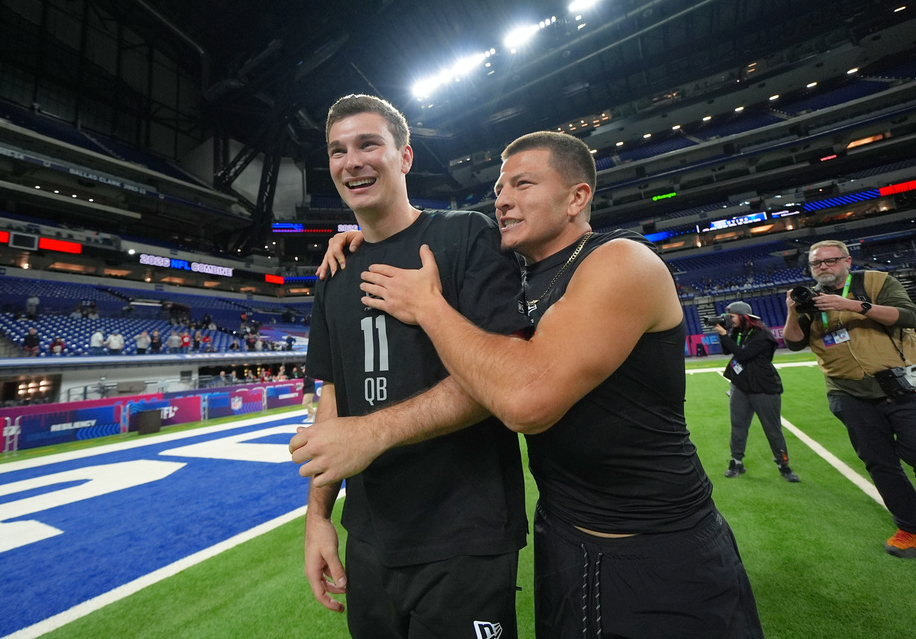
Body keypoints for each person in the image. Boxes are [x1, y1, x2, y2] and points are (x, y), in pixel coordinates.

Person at [296, 130, 763, 638]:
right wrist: (366, 238)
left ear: (577, 198)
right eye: (499, 189)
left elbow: (524, 401)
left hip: (655, 543)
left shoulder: (622, 262)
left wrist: (428, 307)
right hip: (563, 539)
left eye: (522, 185)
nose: (502, 200)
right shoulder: (524, 277)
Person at [294, 94, 530, 637]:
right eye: (337, 151)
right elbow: (334, 399)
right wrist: (318, 517)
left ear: (405, 157)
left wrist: (372, 433)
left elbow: (504, 377)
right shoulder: (334, 272)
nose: (352, 161)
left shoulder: (465, 236)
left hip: (464, 534)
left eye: (368, 144)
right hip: (370, 537)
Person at [783, 239, 916, 558]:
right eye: (816, 263)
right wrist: (793, 311)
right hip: (849, 393)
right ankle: (911, 529)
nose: (823, 267)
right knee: (879, 463)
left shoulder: (876, 281)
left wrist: (850, 305)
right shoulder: (810, 299)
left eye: (831, 260)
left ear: (847, 261)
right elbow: (793, 343)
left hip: (903, 384)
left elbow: (909, 317)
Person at [714, 301, 800, 482]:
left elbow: (743, 355)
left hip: (763, 386)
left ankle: (783, 465)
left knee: (772, 428)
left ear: (743, 316)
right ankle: (736, 461)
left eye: (731, 317)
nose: (729, 320)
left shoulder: (762, 334)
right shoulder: (739, 331)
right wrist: (725, 333)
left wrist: (724, 335)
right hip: (741, 385)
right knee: (738, 425)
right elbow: (727, 351)